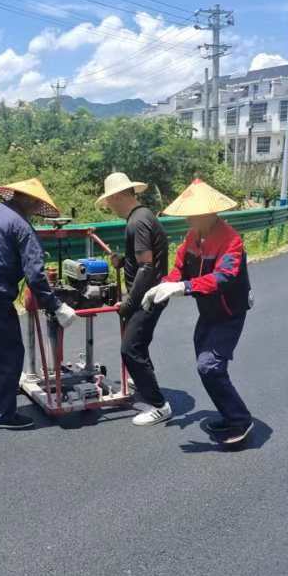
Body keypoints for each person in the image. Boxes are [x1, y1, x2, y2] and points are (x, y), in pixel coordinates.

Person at [0, 178, 76, 430]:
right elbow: (35, 276)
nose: (36, 209)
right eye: (36, 204)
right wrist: (56, 306)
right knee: (10, 356)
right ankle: (3, 415)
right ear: (29, 201)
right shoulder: (23, 227)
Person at [142, 179, 253, 445]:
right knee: (207, 368)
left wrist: (184, 287)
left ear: (209, 213)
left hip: (229, 312)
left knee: (210, 366)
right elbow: (179, 269)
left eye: (193, 214)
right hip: (208, 311)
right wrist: (163, 285)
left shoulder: (231, 240)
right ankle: (230, 416)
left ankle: (240, 421)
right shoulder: (193, 236)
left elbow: (223, 277)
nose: (188, 219)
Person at [95, 172, 171, 426]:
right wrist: (122, 261)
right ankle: (143, 382)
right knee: (139, 345)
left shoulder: (137, 222)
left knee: (130, 349)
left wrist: (129, 303)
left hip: (148, 297)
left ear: (118, 196)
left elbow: (147, 266)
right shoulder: (142, 216)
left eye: (110, 201)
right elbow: (142, 261)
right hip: (150, 293)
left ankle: (159, 406)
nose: (110, 206)